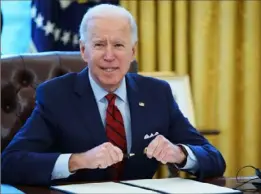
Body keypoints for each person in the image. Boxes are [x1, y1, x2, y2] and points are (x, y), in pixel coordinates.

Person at [1, 4, 226, 186]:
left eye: (119, 45)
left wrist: (180, 154)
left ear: (133, 51)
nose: (109, 56)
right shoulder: (56, 96)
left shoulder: (157, 93)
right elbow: (9, 164)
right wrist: (78, 160)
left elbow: (214, 158)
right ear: (83, 50)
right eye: (99, 44)